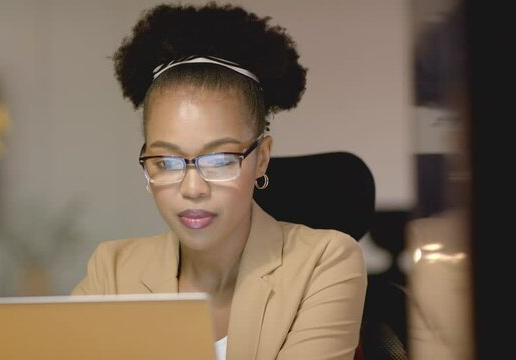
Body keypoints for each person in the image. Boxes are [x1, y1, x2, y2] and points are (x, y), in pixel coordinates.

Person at [72, 3, 367, 359]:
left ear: (261, 158)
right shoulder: (113, 271)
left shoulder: (325, 263)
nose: (192, 188)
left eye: (219, 160)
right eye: (166, 161)